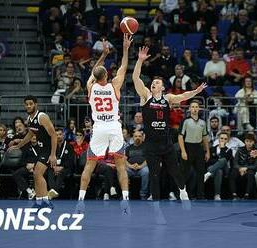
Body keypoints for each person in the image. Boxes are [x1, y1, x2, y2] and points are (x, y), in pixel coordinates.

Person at [132, 46, 208, 200]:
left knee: (175, 171)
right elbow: (135, 78)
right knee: (154, 174)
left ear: (162, 87)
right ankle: (156, 204)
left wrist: (196, 92)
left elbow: (184, 95)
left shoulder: (168, 98)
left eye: (157, 82)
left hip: (166, 142)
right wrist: (140, 60)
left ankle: (182, 190)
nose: (154, 84)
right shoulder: (146, 95)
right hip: (151, 143)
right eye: (153, 82)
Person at [77, 34, 132, 206]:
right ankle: (125, 199)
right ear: (107, 75)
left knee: (90, 165)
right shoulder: (114, 85)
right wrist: (125, 48)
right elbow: (124, 66)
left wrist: (103, 55)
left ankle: (80, 200)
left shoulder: (90, 87)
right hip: (114, 127)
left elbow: (95, 72)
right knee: (121, 165)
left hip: (99, 128)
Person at [10, 95, 57, 209]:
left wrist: (53, 154)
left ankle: (45, 201)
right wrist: (19, 145)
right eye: (26, 104)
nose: (28, 106)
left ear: (36, 104)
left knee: (37, 173)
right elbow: (30, 134)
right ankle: (41, 201)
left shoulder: (41, 117)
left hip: (48, 149)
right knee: (36, 175)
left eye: (31, 103)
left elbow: (54, 135)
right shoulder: (29, 119)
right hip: (42, 150)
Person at [178, 100, 210, 199]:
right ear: (189, 109)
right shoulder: (185, 121)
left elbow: (205, 137)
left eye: (196, 107)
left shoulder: (203, 122)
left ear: (199, 109)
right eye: (193, 107)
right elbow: (180, 136)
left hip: (198, 148)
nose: (195, 109)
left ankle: (200, 195)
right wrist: (183, 151)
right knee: (184, 172)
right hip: (188, 147)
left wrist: (207, 151)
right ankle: (181, 194)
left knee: (200, 173)